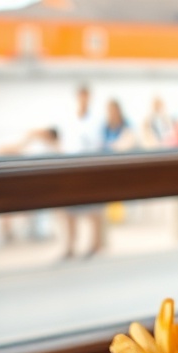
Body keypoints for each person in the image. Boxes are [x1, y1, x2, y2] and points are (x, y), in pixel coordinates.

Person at [62, 85, 104, 258]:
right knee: (69, 210)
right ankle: (71, 245)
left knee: (93, 210)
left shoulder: (96, 120)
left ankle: (95, 244)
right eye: (81, 96)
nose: (83, 99)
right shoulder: (70, 119)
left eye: (86, 96)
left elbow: (97, 143)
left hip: (90, 165)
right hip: (71, 166)